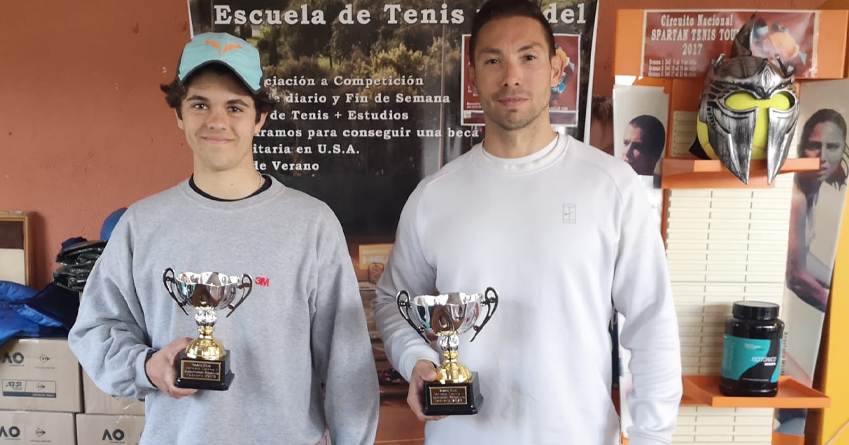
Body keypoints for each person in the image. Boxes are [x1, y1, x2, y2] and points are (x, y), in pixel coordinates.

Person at [372, 1, 682, 443]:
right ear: (473, 75)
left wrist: (653, 437)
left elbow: (652, 326)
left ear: (557, 68)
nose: (511, 76)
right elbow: (392, 302)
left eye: (529, 57)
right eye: (493, 60)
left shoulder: (612, 187)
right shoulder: (433, 197)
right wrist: (417, 360)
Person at [68, 32, 379, 445]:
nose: (217, 121)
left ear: (259, 117)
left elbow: (347, 362)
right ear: (179, 112)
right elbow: (94, 330)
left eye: (235, 106)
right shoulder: (142, 224)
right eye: (200, 104)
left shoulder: (311, 224)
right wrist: (146, 367)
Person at [786, 108, 849, 312]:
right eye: (814, 146)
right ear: (801, 148)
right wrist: (843, 309)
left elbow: (799, 257)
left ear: (843, 150)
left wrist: (844, 287)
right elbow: (796, 277)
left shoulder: (812, 190)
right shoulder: (796, 197)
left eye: (832, 147)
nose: (822, 157)